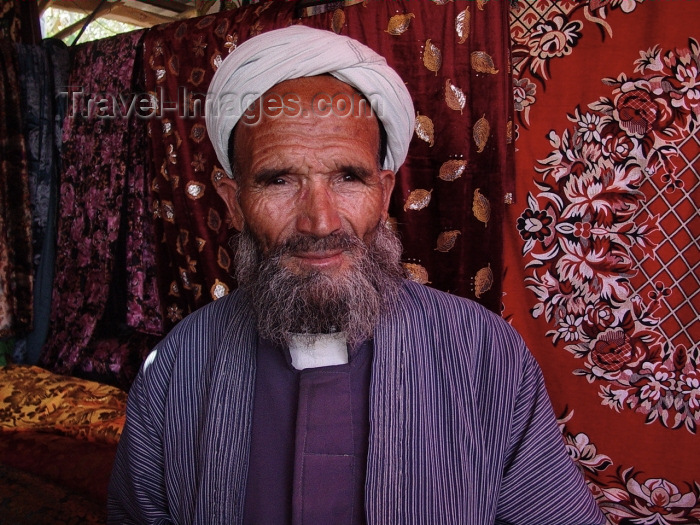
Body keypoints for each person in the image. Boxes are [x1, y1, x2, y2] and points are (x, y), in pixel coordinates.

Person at [108, 26, 605, 525]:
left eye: (348, 177)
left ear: (384, 191)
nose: (320, 222)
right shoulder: (175, 370)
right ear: (232, 202)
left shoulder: (484, 355)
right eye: (279, 180)